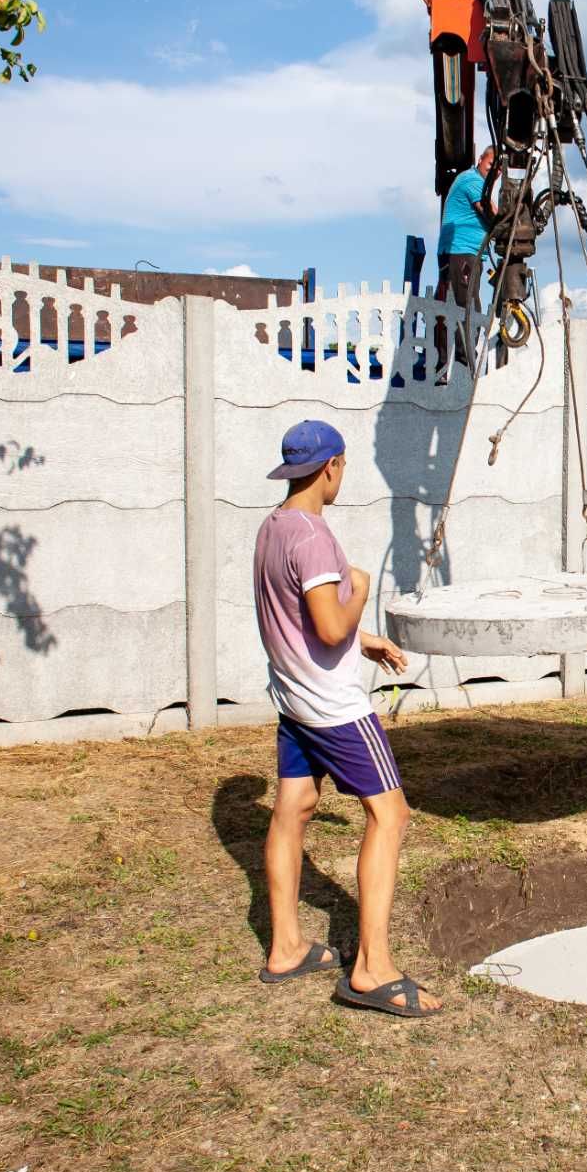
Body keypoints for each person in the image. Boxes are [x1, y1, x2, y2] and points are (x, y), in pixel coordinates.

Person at [254, 418, 442, 1017]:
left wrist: (364, 641)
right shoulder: (312, 537)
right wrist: (358, 589)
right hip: (335, 708)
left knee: (293, 809)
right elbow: (329, 622)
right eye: (343, 468)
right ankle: (372, 968)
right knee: (391, 815)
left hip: (294, 701)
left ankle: (285, 947)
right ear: (332, 466)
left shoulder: (273, 528)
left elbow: (301, 620)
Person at [433, 145, 495, 383]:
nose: (492, 172)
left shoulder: (481, 183)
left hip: (468, 252)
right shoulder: (472, 180)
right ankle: (462, 362)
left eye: (496, 170)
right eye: (490, 165)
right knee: (468, 306)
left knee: (463, 304)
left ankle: (455, 360)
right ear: (480, 160)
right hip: (461, 251)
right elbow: (489, 211)